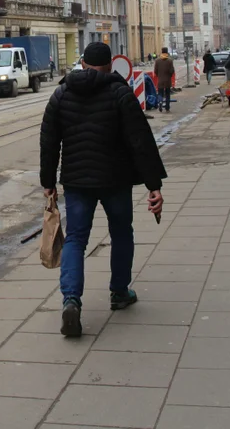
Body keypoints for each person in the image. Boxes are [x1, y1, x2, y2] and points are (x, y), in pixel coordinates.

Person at [40, 42, 167, 337]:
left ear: (83, 64)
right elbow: (141, 141)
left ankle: (71, 299)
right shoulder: (120, 93)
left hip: (77, 180)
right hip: (115, 179)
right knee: (122, 232)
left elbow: (48, 143)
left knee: (75, 239)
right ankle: (119, 292)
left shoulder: (61, 94)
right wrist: (154, 186)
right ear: (110, 66)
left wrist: (48, 183)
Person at [153, 47, 175, 113]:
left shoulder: (157, 60)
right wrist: (170, 75)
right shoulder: (170, 60)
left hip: (160, 80)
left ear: (161, 52)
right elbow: (172, 71)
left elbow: (155, 71)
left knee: (160, 93)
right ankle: (167, 107)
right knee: (167, 94)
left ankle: (160, 102)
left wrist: (159, 75)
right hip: (167, 80)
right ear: (167, 52)